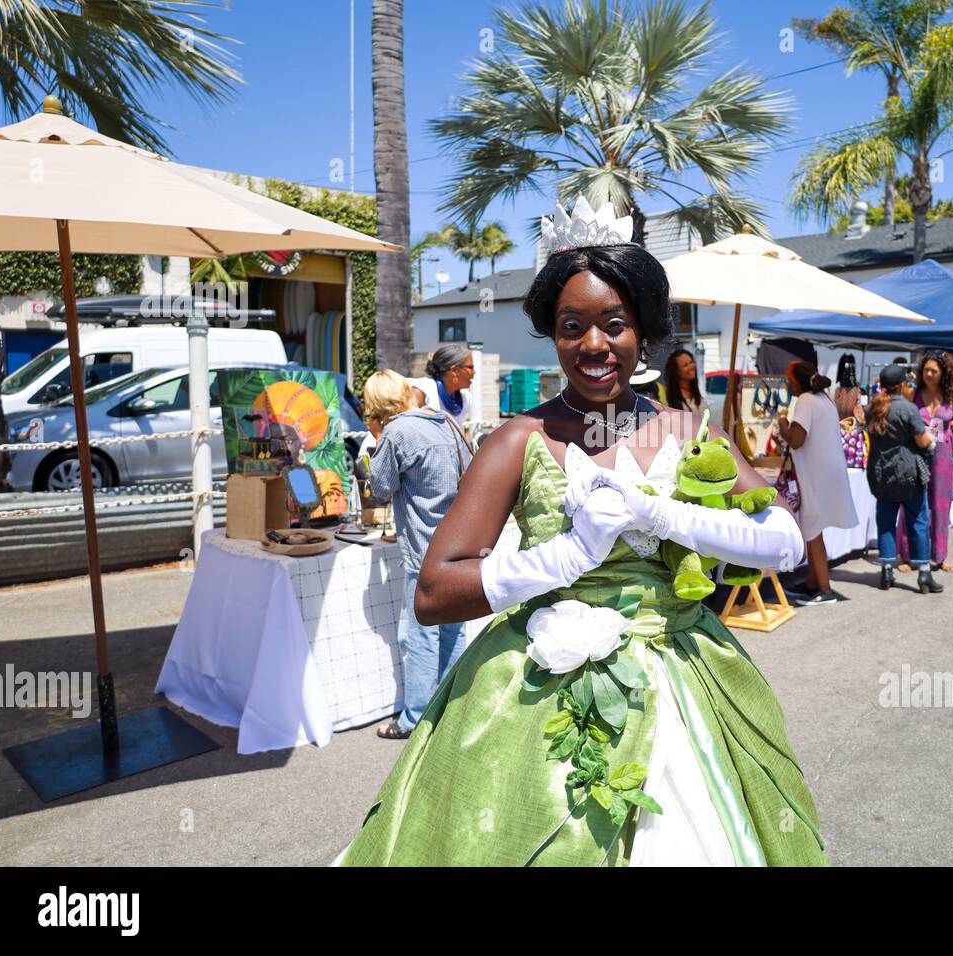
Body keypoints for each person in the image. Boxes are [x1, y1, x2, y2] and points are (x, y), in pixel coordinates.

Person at [340, 198, 826, 866]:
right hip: (541, 677)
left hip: (686, 675)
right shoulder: (516, 439)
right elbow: (434, 593)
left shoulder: (687, 429)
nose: (594, 345)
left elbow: (784, 539)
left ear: (644, 332)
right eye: (573, 327)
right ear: (555, 332)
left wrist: (666, 516)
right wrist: (569, 555)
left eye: (614, 324)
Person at [362, 369, 471, 739]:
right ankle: (452, 709)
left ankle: (415, 719)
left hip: (424, 550)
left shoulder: (396, 432)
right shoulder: (447, 424)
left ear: (378, 405)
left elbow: (379, 487)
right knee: (454, 630)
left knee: (421, 635)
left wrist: (378, 438)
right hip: (460, 547)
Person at [776, 360, 858, 606]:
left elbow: (797, 440)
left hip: (815, 474)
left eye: (790, 379)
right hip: (827, 472)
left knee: (812, 529)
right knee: (815, 527)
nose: (788, 384)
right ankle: (813, 582)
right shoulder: (824, 399)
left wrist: (782, 424)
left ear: (797, 381)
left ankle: (824, 589)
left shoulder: (806, 401)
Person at [895, 349, 953, 573]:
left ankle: (939, 556)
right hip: (918, 452)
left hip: (943, 453)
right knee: (911, 502)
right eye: (926, 370)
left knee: (941, 504)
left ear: (943, 372)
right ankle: (906, 554)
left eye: (934, 370)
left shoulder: (951, 393)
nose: (929, 374)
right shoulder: (914, 392)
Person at [866, 364, 942, 594]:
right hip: (908, 473)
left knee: (886, 521)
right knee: (918, 521)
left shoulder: (873, 408)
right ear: (901, 385)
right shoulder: (908, 409)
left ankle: (887, 570)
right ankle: (924, 574)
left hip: (881, 473)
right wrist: (930, 438)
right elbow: (921, 440)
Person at [410, 343, 475, 427]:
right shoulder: (422, 391)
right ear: (455, 370)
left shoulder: (465, 398)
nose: (474, 373)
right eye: (470, 367)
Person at [658, 347, 707, 416]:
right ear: (676, 371)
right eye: (685, 365)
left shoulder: (695, 390)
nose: (691, 366)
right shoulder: (667, 395)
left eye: (691, 362)